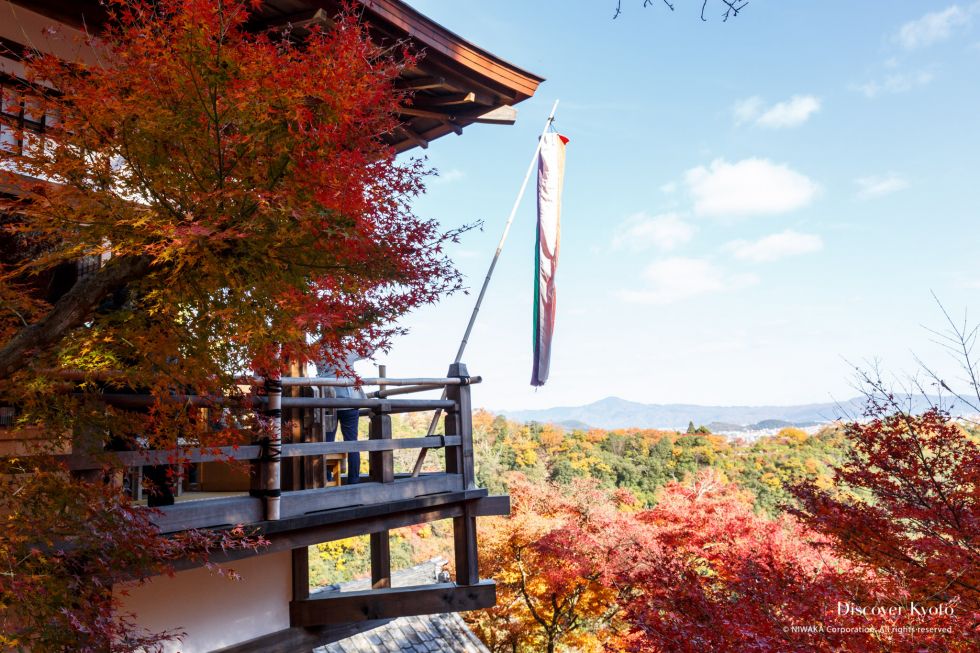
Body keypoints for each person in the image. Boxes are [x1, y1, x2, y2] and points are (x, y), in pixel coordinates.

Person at [318, 350, 367, 485]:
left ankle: (327, 478)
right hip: (349, 401)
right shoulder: (345, 350)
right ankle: (354, 480)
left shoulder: (317, 351)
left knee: (327, 441)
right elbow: (367, 350)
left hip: (328, 401)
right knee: (352, 442)